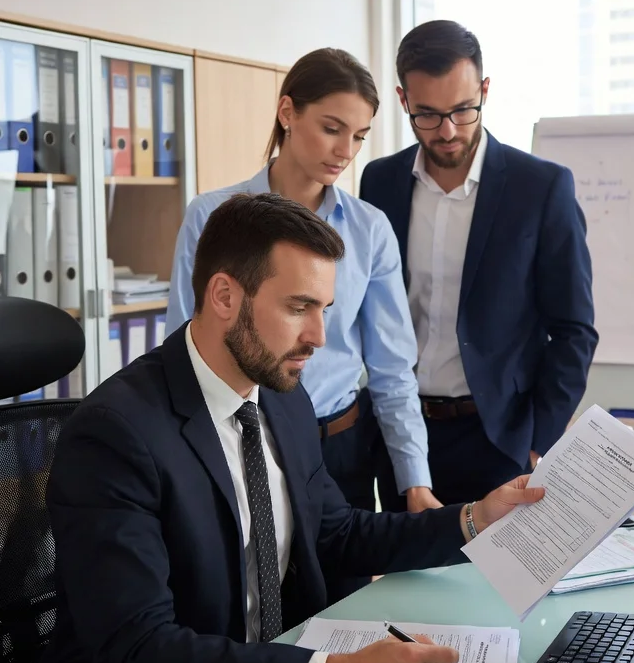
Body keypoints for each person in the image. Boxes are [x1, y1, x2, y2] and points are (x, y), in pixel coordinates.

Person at [32, 193, 545, 663]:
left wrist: (475, 519)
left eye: (324, 310)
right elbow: (138, 654)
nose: (319, 337)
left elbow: (337, 532)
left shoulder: (281, 397)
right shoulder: (115, 436)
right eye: (298, 308)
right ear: (225, 296)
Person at [166, 48, 439, 527]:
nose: (346, 151)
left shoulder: (369, 229)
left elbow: (392, 369)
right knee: (253, 575)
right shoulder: (212, 215)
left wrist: (415, 480)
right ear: (287, 112)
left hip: (339, 449)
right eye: (332, 128)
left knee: (344, 573)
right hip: (239, 439)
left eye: (359, 136)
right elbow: (182, 346)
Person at [360, 20, 598, 510]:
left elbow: (574, 328)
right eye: (427, 115)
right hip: (401, 433)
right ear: (404, 100)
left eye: (463, 110)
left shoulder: (540, 188)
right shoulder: (379, 183)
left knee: (497, 564)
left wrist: (539, 440)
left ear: (484, 90)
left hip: (500, 440)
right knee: (405, 562)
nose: (448, 131)